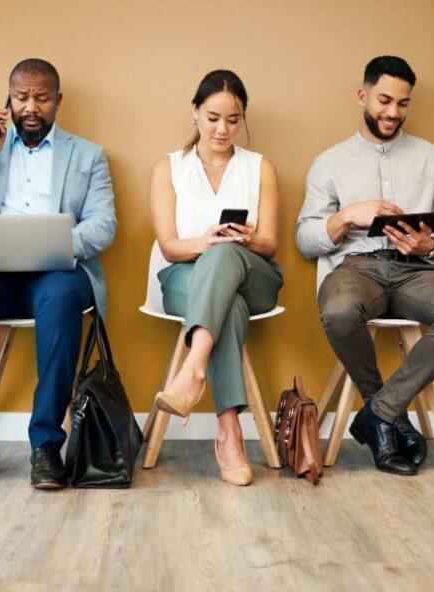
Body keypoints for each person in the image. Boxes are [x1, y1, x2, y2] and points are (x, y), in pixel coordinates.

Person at [0, 58, 116, 490]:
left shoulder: (88, 155)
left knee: (60, 298)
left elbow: (103, 224)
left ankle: (47, 445)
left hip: (56, 272)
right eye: (21, 97)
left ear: (58, 102)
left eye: (42, 98)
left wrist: (55, 244)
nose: (31, 107)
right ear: (8, 100)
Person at [295, 56, 434, 477]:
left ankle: (378, 415)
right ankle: (390, 416)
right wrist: (347, 216)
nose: (393, 112)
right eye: (384, 100)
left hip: (417, 272)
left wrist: (430, 242)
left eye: (403, 103)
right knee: (340, 311)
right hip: (357, 270)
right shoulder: (330, 162)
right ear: (363, 96)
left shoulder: (433, 158)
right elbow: (305, 239)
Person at [149, 70, 282, 486]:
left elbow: (271, 244)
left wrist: (247, 239)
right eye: (213, 118)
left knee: (228, 254)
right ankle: (230, 435)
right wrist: (205, 241)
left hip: (253, 275)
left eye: (233, 119)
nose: (223, 129)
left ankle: (192, 370)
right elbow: (169, 247)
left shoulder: (260, 168)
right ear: (195, 113)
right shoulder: (168, 168)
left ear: (243, 118)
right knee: (228, 304)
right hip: (182, 277)